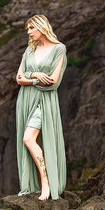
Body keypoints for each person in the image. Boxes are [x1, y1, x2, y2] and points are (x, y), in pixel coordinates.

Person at [14, 14, 67, 200]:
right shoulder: (29, 51)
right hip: (25, 100)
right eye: (27, 29)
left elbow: (52, 82)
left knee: (28, 139)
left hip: (44, 100)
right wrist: (35, 75)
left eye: (31, 28)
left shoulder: (59, 49)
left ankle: (46, 182)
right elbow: (18, 79)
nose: (28, 32)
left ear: (41, 27)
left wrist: (29, 79)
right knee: (30, 139)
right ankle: (36, 183)